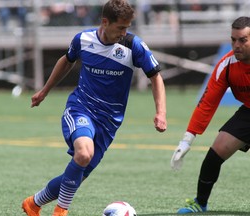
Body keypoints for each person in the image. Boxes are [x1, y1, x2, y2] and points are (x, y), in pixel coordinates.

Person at [22, 0, 167, 216]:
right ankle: (61, 211)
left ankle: (33, 203)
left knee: (77, 173)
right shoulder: (83, 39)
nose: (124, 32)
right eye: (120, 27)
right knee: (83, 154)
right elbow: (67, 60)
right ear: (105, 22)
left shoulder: (132, 45)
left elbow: (155, 77)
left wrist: (160, 113)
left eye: (127, 27)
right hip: (81, 108)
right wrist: (45, 90)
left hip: (109, 123)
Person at [171, 16, 250, 214]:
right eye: (233, 40)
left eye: (243, 40)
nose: (236, 45)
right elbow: (207, 103)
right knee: (215, 154)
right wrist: (186, 140)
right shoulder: (227, 65)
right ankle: (200, 202)